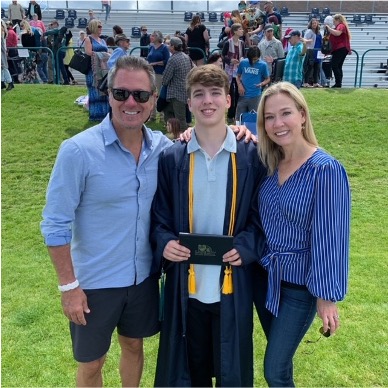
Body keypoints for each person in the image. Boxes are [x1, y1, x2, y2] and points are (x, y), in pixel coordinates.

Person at [40, 55, 173, 387]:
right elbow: (55, 223)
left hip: (143, 278)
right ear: (108, 94)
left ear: (153, 99)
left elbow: (204, 144)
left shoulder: (163, 148)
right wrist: (69, 287)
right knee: (92, 362)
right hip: (94, 284)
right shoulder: (77, 151)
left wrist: (238, 131)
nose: (131, 102)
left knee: (134, 345)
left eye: (140, 95)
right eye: (121, 93)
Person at [150, 64, 266, 387]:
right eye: (198, 94)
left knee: (233, 371)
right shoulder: (173, 158)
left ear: (229, 100)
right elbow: (159, 218)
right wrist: (165, 242)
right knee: (192, 371)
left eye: (215, 93)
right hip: (188, 290)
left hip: (232, 286)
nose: (207, 101)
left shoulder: (251, 155)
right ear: (188, 103)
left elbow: (261, 220)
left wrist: (245, 246)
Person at [253, 81, 351, 387]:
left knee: (274, 369)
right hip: (267, 281)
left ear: (303, 115)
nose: (277, 123)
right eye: (269, 117)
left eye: (285, 113)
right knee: (280, 363)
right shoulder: (269, 164)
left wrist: (327, 296)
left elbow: (330, 236)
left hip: (300, 289)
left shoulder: (325, 170)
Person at [162, 36, 193, 132]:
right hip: (185, 92)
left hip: (175, 94)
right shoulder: (186, 57)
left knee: (180, 119)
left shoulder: (173, 59)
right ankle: (173, 133)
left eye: (169, 45)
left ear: (173, 46)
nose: (168, 46)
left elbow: (165, 79)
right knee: (170, 113)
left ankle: (184, 138)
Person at [84, 19, 110, 121]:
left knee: (104, 91)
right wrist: (104, 54)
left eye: (101, 26)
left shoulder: (103, 40)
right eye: (99, 26)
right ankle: (96, 116)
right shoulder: (88, 39)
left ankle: (105, 115)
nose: (101, 28)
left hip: (103, 70)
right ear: (94, 27)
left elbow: (107, 52)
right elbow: (88, 52)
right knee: (95, 92)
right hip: (93, 70)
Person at [235, 46, 270, 121]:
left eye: (256, 59)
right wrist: (239, 85)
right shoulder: (243, 63)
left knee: (255, 119)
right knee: (239, 118)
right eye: (252, 59)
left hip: (255, 96)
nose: (254, 61)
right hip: (243, 95)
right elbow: (237, 76)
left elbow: (268, 79)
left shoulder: (263, 65)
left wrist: (262, 84)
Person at [222, 23, 245, 124]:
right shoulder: (228, 42)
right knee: (231, 92)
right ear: (235, 31)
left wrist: (241, 59)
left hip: (238, 69)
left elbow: (244, 55)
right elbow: (223, 56)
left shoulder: (242, 43)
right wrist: (230, 60)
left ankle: (236, 114)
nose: (242, 31)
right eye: (240, 29)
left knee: (238, 93)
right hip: (229, 71)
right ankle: (230, 115)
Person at [146, 30, 170, 122]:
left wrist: (155, 63)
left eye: (153, 36)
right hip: (151, 73)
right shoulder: (151, 47)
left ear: (158, 37)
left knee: (159, 95)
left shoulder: (164, 48)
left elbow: (166, 61)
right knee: (152, 94)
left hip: (160, 74)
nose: (151, 37)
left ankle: (162, 116)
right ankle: (152, 115)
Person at [325, 14, 352, 88]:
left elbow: (337, 33)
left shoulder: (341, 26)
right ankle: (339, 82)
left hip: (340, 48)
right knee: (338, 66)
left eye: (334, 21)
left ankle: (338, 83)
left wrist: (329, 29)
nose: (333, 23)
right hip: (342, 48)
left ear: (338, 20)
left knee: (334, 65)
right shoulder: (341, 26)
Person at [303, 18, 320, 88]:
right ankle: (306, 82)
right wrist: (308, 40)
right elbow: (304, 39)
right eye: (313, 23)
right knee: (310, 66)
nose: (314, 24)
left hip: (316, 51)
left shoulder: (317, 32)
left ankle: (316, 82)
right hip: (310, 50)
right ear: (311, 24)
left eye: (315, 23)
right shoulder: (309, 31)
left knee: (316, 66)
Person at [1, 20, 14, 90]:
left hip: (1, 51)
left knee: (4, 67)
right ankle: (2, 82)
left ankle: (10, 82)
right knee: (2, 68)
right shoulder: (4, 32)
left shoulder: (2, 32)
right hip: (3, 50)